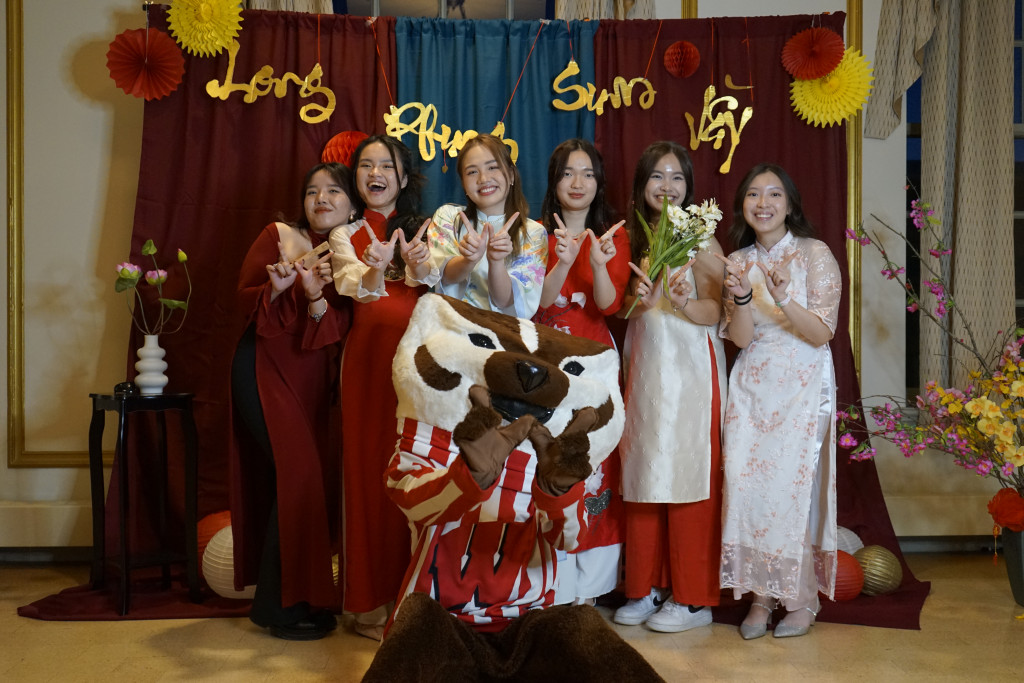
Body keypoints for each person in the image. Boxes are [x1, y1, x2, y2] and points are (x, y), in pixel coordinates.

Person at [229, 162, 353, 640]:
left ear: (351, 203)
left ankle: (300, 597)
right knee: (298, 475)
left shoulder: (352, 255)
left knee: (306, 483)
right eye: (312, 192)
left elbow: (339, 332)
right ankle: (276, 608)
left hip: (312, 382)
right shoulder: (277, 234)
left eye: (333, 191)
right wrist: (275, 288)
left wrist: (318, 296)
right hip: (262, 369)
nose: (321, 199)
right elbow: (240, 298)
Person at [716, 163, 841, 639]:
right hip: (751, 385)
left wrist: (783, 298)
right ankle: (759, 597)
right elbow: (742, 340)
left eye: (773, 195)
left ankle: (800, 599)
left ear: (790, 204)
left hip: (803, 385)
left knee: (793, 493)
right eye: (753, 194)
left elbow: (822, 333)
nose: (762, 203)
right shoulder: (738, 260)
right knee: (748, 490)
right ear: (742, 205)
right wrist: (745, 297)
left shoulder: (814, 254)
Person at [613, 141, 727, 633]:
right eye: (657, 177)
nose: (668, 186)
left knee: (687, 476)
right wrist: (641, 300)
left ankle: (694, 598)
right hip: (643, 365)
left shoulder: (702, 239)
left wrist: (679, 302)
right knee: (641, 472)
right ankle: (645, 587)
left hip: (689, 370)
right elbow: (622, 311)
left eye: (677, 177)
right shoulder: (635, 241)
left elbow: (717, 312)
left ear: (690, 187)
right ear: (642, 188)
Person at [328, 134, 434, 641]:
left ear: (404, 178)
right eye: (366, 166)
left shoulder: (425, 229)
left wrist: (418, 264)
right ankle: (367, 605)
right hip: (368, 366)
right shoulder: (344, 234)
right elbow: (355, 288)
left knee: (416, 475)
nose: (376, 173)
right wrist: (375, 264)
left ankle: (412, 600)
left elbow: (444, 286)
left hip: (419, 366)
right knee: (368, 474)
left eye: (386, 165)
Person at [531, 138, 630, 606]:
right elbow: (538, 303)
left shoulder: (613, 237)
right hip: (547, 362)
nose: (577, 182)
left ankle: (588, 587)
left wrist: (596, 261)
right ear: (554, 181)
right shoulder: (534, 237)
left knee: (594, 464)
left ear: (598, 183)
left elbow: (610, 305)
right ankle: (546, 579)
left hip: (595, 363)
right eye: (568, 173)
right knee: (547, 459)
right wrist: (562, 260)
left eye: (587, 173)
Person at [426, 134, 547, 318]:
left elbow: (505, 302)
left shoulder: (533, 233)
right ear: (464, 184)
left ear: (512, 174)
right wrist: (468, 260)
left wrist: (496, 262)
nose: (483, 178)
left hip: (501, 338)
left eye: (493, 167)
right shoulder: (448, 217)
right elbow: (443, 277)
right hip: (448, 332)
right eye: (472, 172)